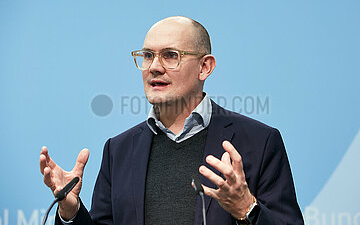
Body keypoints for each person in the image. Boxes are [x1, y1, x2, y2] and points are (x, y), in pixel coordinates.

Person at [39, 16, 304, 225]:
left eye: (170, 55)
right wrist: (71, 212)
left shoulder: (259, 142)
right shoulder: (118, 150)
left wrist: (247, 208)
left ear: (205, 67)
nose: (154, 66)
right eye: (147, 56)